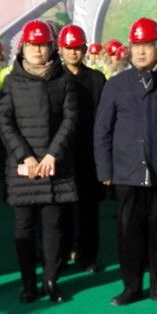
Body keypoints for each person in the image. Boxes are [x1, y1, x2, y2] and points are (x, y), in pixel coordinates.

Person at [94, 17, 157, 306]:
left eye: (148, 45)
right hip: (127, 172)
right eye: (136, 45)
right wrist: (105, 170)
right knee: (129, 233)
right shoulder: (116, 85)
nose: (141, 51)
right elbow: (102, 131)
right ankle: (131, 287)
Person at [0, 20, 79, 303]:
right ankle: (28, 283)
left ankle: (51, 280)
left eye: (42, 45)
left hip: (55, 166)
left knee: (54, 227)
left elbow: (70, 119)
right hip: (24, 169)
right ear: (23, 48)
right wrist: (26, 156)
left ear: (52, 47)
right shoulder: (11, 81)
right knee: (24, 228)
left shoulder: (63, 79)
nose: (37, 50)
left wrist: (53, 154)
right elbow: (5, 122)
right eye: (32, 45)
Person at [59, 24, 107, 272]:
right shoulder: (54, 77)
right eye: (68, 48)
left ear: (85, 49)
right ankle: (62, 252)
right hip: (61, 153)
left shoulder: (97, 79)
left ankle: (88, 256)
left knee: (89, 209)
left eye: (77, 47)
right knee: (62, 208)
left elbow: (104, 118)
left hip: (89, 152)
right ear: (60, 49)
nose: (73, 52)